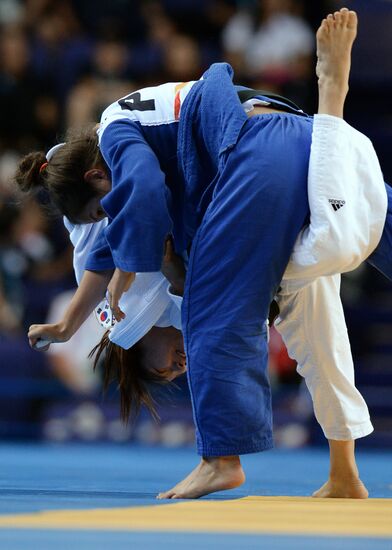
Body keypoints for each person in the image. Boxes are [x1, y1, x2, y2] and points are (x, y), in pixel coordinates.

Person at [17, 9, 388, 499]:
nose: (177, 367)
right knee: (319, 320)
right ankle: (345, 472)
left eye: (163, 366)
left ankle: (220, 459)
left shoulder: (114, 133)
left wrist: (125, 277)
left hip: (259, 155)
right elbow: (109, 246)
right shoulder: (142, 180)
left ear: (95, 179)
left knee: (212, 310)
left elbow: (133, 207)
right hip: (316, 152)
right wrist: (67, 325)